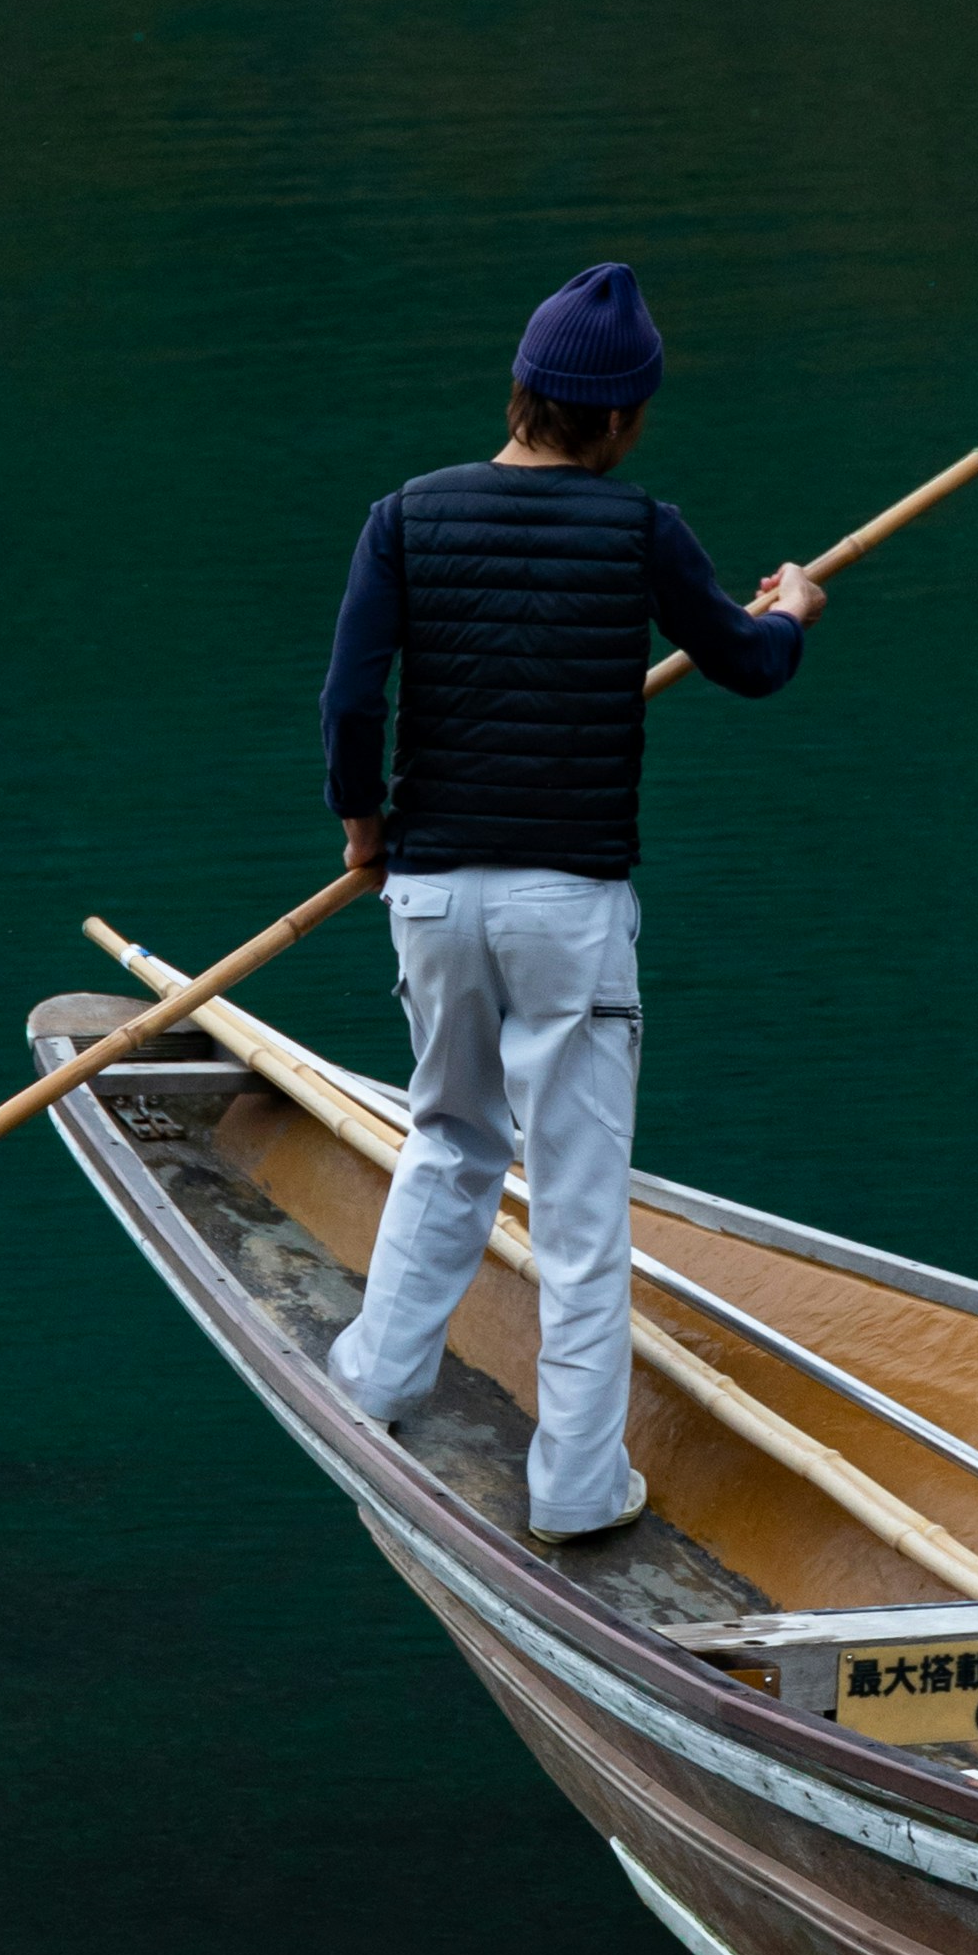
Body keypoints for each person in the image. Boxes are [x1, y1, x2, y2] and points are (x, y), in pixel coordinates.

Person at [320, 264, 824, 1542]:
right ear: (616, 417)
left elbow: (348, 700)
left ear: (525, 391)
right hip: (567, 908)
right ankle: (576, 1487)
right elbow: (750, 665)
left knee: (447, 1136)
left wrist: (364, 835)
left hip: (432, 896)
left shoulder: (406, 515)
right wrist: (795, 609)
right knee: (582, 1210)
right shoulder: (640, 529)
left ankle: (376, 1379)